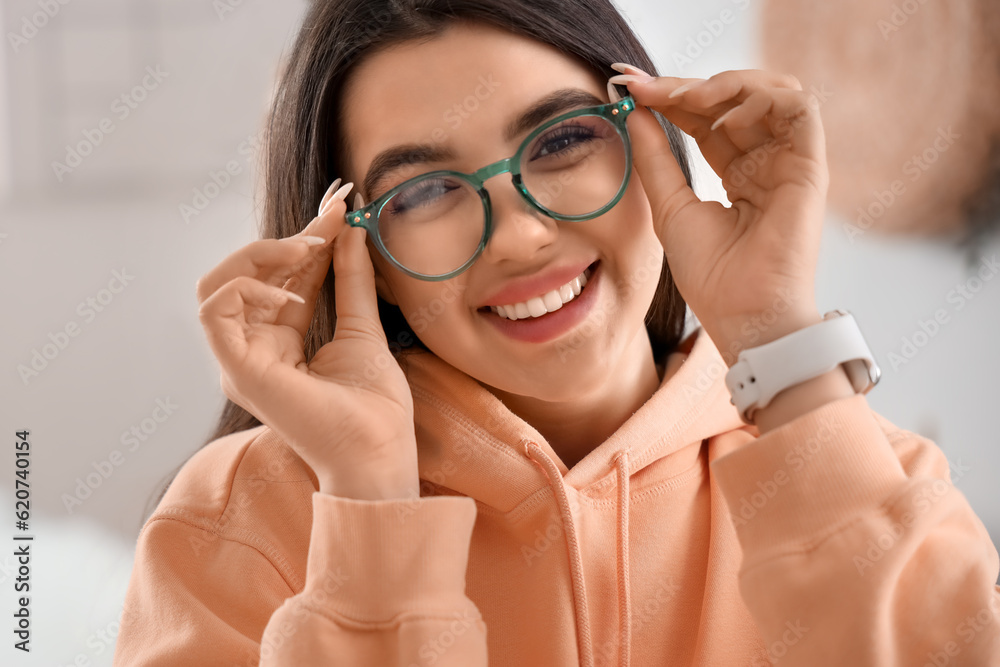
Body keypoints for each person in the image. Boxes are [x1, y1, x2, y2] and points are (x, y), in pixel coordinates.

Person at [113, 0, 1000, 665]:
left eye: (563, 140)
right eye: (422, 192)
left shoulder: (865, 475)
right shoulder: (232, 524)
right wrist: (371, 508)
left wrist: (777, 335)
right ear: (359, 252)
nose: (522, 234)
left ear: (653, 132)